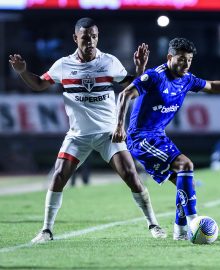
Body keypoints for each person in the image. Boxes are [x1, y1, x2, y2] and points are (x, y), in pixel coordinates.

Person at [9, 17, 166, 243]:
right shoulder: (63, 65)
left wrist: (140, 69)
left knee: (131, 175)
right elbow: (39, 85)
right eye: (85, 37)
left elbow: (132, 87)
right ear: (75, 38)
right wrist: (23, 72)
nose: (90, 41)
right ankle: (46, 230)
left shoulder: (109, 62)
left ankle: (154, 224)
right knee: (58, 176)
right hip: (78, 136)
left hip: (108, 134)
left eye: (94, 36)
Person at [112, 37, 220, 240]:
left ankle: (180, 231)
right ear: (170, 57)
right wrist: (119, 126)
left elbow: (211, 86)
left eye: (189, 60)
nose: (186, 64)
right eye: (182, 59)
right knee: (186, 165)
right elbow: (125, 95)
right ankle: (194, 221)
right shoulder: (155, 76)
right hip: (141, 138)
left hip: (158, 137)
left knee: (185, 183)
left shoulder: (187, 79)